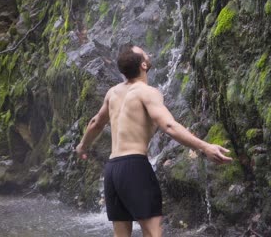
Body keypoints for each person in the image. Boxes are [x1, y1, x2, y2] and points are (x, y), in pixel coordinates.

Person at [75, 44, 233, 237]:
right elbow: (169, 126)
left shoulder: (113, 93)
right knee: (152, 231)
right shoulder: (148, 92)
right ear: (143, 64)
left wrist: (83, 146)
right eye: (145, 53)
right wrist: (205, 146)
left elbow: (95, 124)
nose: (148, 53)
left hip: (113, 169)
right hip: (134, 166)